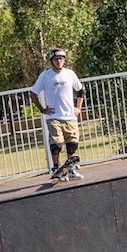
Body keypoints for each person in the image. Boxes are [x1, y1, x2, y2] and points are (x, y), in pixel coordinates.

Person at [30, 48, 87, 180]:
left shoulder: (70, 74)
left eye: (61, 59)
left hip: (70, 116)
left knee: (72, 143)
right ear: (52, 61)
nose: (59, 61)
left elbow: (81, 90)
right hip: (53, 116)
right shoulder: (45, 76)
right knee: (57, 144)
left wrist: (78, 108)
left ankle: (71, 169)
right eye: (56, 59)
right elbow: (33, 94)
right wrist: (43, 109)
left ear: (64, 60)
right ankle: (56, 167)